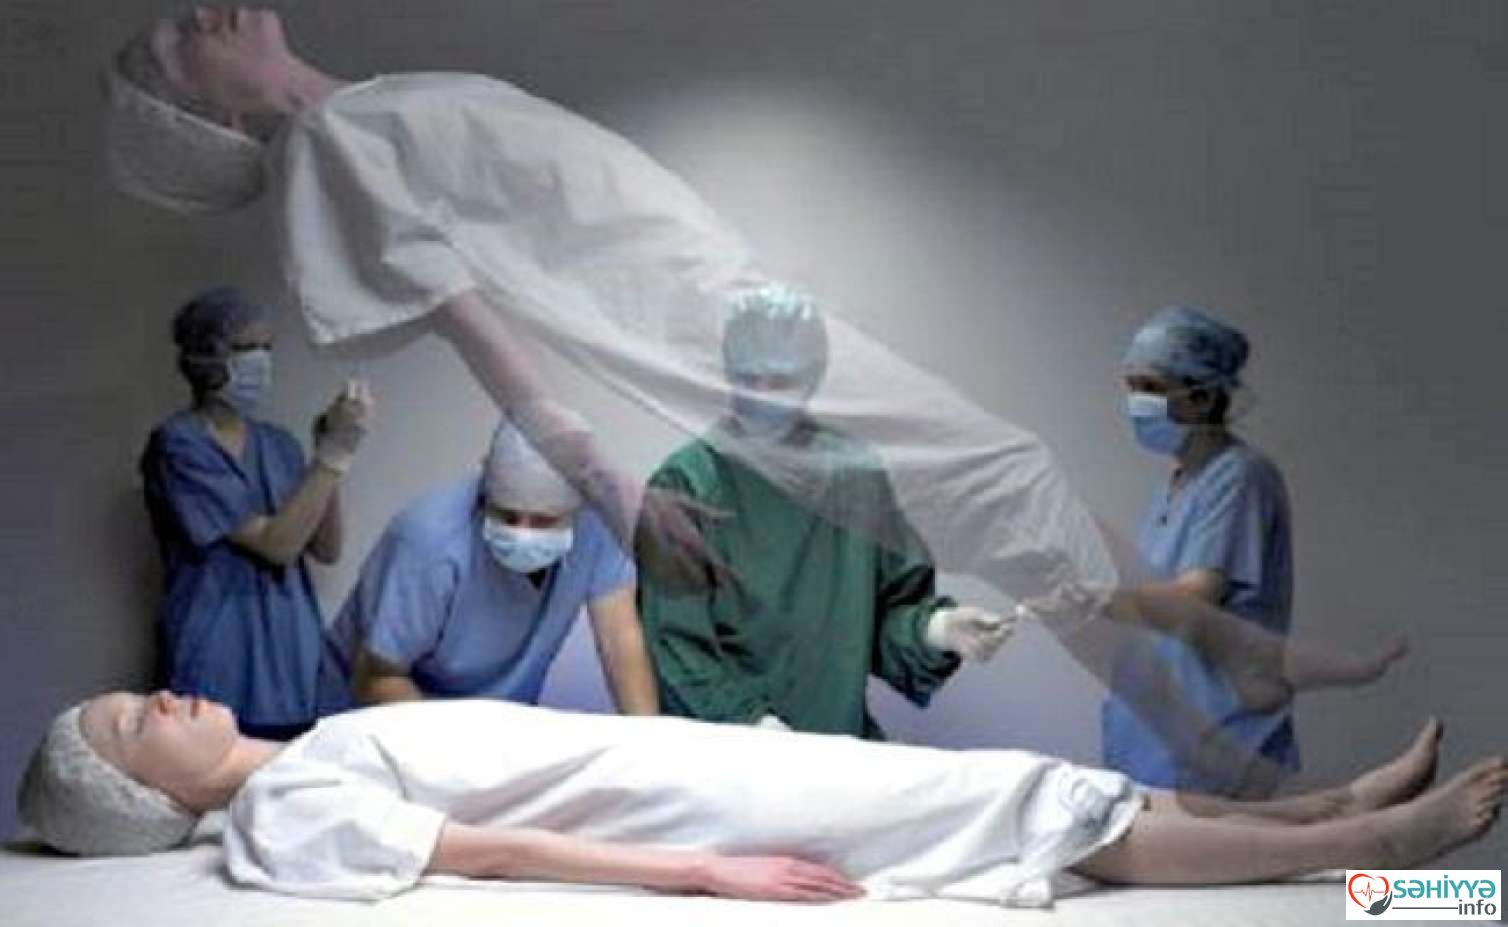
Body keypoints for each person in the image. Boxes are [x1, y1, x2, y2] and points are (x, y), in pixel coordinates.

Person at [104, 8, 1405, 767]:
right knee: (1001, 476)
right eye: (171, 43)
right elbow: (479, 327)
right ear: (202, 119)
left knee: (1002, 486)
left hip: (719, 293)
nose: (194, 14)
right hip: (694, 326)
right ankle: (1231, 732)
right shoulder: (334, 147)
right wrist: (616, 494)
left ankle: (1232, 693)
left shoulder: (363, 110)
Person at [17, 690, 1505, 908]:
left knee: (983, 778)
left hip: (687, 761)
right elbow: (488, 847)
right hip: (688, 812)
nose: (167, 696)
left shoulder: (305, 747)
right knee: (992, 805)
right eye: (137, 721)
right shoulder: (280, 814)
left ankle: (1318, 811)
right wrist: (708, 876)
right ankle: (1385, 853)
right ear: (138, 793)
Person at [641, 285, 1013, 737]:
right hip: (731, 757)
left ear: (813, 376)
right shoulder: (687, 484)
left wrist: (938, 629)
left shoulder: (853, 476)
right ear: (728, 373)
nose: (762, 394)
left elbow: (882, 616)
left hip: (838, 745)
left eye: (780, 381)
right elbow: (675, 644)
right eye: (748, 379)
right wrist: (749, 725)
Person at [1100, 306, 1406, 797]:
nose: (1136, 403)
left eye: (1151, 388)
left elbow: (1193, 598)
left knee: (1268, 838)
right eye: (1130, 386)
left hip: (1218, 738)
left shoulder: (1240, 477)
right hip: (1152, 739)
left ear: (1203, 396)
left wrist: (1095, 599)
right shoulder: (1176, 485)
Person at [140, 285, 373, 739]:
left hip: (291, 656)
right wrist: (332, 458)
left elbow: (326, 549)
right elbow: (277, 545)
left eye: (268, 348)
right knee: (214, 768)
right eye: (248, 347)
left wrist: (327, 451)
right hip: (218, 655)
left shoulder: (279, 444)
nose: (262, 360)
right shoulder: (180, 444)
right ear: (206, 356)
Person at [325, 417, 657, 714]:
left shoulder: (597, 524)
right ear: (486, 486)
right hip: (373, 716)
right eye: (507, 516)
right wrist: (454, 753)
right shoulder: (429, 540)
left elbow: (620, 640)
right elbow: (377, 677)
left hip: (492, 728)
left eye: (543, 521)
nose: (523, 534)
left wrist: (650, 745)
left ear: (579, 507)